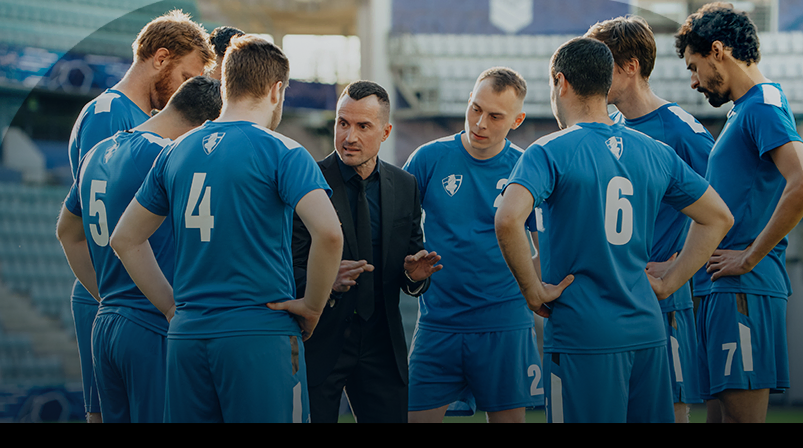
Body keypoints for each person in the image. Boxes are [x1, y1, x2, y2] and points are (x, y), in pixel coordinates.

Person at [495, 37, 733, 423]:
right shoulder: (655, 151)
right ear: (607, 85)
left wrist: (532, 290)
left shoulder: (549, 150)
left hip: (582, 334)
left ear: (561, 82)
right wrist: (670, 282)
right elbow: (719, 217)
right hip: (647, 330)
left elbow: (507, 220)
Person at [109, 35, 343, 423]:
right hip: (256, 334)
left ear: (225, 85)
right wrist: (312, 306)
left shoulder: (175, 150)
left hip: (186, 336)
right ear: (277, 90)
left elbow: (125, 238)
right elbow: (330, 233)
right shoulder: (281, 150)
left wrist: (171, 307)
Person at [64, 9, 214, 423]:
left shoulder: (141, 121)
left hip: (127, 297)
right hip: (122, 297)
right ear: (161, 58)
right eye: (187, 77)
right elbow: (106, 223)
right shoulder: (112, 116)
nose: (187, 91)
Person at [675, 2, 803, 423]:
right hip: (721, 288)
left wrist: (749, 256)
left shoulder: (764, 104)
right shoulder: (743, 110)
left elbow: (801, 180)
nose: (693, 81)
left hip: (745, 286)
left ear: (718, 51)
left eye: (694, 67)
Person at [585, 15, 715, 423]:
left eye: (602, 64)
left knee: (669, 409)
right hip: (612, 295)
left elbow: (722, 212)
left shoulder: (683, 132)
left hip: (661, 295)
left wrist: (677, 267)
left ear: (630, 66)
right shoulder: (608, 128)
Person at [291, 80, 442, 423]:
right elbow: (287, 265)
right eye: (343, 123)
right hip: (320, 338)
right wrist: (325, 279)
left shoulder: (406, 186)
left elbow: (411, 266)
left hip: (382, 344)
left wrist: (414, 276)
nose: (350, 137)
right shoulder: (306, 180)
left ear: (386, 131)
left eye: (363, 126)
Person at [404, 67, 543, 423]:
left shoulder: (526, 167)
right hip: (439, 323)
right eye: (475, 109)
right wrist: (408, 266)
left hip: (504, 324)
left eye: (495, 116)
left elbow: (544, 246)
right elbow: (397, 228)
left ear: (517, 119)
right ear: (468, 101)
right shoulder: (427, 159)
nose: (480, 123)